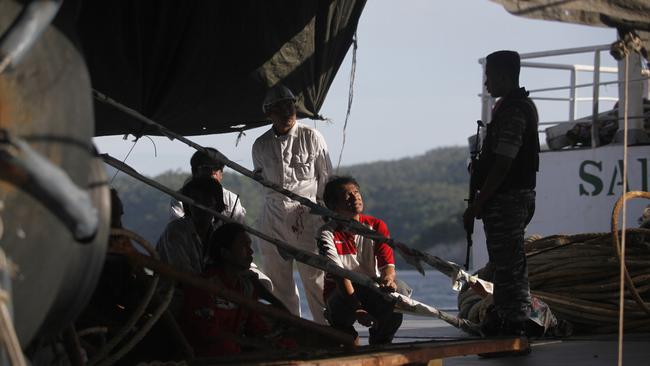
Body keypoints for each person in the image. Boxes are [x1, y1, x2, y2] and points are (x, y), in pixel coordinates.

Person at [463, 50, 540, 336]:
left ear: (504, 76)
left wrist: (479, 203)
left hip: (508, 199)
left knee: (508, 266)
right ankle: (510, 316)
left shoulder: (513, 111)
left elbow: (504, 161)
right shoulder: (513, 108)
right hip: (511, 197)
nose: (486, 84)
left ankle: (515, 324)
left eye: (489, 77)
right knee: (506, 262)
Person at [252, 84, 332, 323]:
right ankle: (289, 331)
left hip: (307, 215)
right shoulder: (260, 145)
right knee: (278, 282)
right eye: (280, 108)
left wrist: (326, 217)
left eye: (290, 106)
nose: (287, 112)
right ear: (269, 113)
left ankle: (327, 331)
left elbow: (325, 178)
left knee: (315, 279)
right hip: (273, 215)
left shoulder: (312, 137)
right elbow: (261, 180)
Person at [180, 223, 295, 357]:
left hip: (236, 348)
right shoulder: (204, 286)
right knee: (226, 348)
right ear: (225, 253)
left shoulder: (245, 287)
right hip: (209, 354)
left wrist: (269, 340)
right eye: (244, 246)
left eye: (250, 245)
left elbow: (254, 325)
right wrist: (253, 344)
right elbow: (208, 332)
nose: (250, 251)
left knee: (287, 344)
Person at [317, 176, 403, 344]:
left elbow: (387, 265)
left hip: (371, 286)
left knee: (400, 290)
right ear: (333, 205)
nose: (355, 197)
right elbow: (339, 275)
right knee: (343, 326)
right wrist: (357, 308)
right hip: (341, 291)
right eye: (347, 195)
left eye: (356, 192)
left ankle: (381, 341)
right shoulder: (326, 233)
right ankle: (346, 334)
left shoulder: (376, 226)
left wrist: (388, 280)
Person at [157, 176, 225, 315]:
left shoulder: (219, 234)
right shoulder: (176, 231)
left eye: (206, 201)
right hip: (173, 300)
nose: (200, 207)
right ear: (188, 204)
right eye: (195, 200)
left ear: (216, 205)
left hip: (207, 299)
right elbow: (185, 277)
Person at [170, 147, 246, 224]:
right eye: (206, 168)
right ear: (195, 171)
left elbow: (238, 230)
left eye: (216, 169)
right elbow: (178, 228)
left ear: (221, 173)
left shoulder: (231, 199)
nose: (211, 173)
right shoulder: (181, 198)